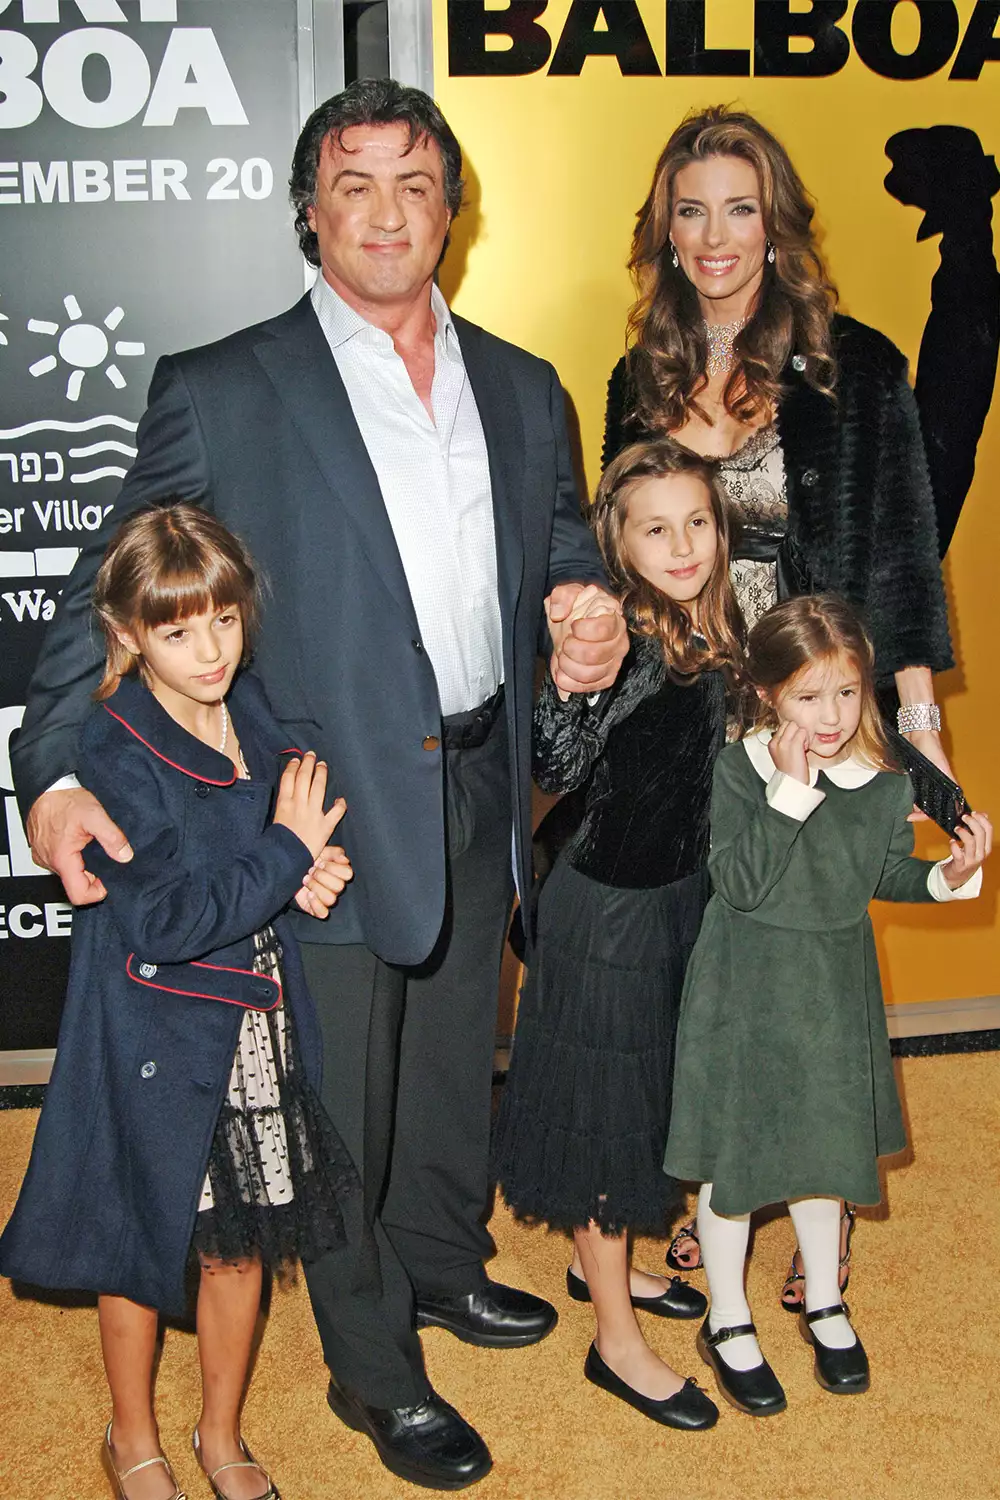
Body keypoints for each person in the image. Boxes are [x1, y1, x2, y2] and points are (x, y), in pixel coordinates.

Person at [13, 80, 627, 1491]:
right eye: (354, 183)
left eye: (416, 183)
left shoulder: (527, 385)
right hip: (319, 807)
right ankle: (374, 1368)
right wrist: (46, 771)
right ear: (310, 209)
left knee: (452, 1052)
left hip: (488, 772)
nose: (387, 212)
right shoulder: (223, 388)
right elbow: (102, 592)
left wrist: (585, 603)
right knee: (340, 1092)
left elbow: (557, 553)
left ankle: (435, 1260)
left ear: (451, 210)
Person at [603, 106, 955, 1306]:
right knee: (703, 974)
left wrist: (918, 739)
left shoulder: (855, 366)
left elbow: (903, 555)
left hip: (809, 714)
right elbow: (618, 560)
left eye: (739, 208)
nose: (715, 236)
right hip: (684, 719)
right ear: (664, 230)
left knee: (802, 982)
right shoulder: (636, 375)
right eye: (690, 209)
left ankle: (817, 1215)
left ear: (777, 224)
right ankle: (719, 1192)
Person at [0, 505, 360, 1500]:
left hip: (255, 1018)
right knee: (144, 1239)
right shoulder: (114, 749)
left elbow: (290, 816)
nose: (209, 650)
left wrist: (313, 866)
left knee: (239, 1241)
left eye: (224, 621)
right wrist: (286, 856)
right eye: (176, 630)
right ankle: (132, 1438)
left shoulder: (257, 711)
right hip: (155, 1028)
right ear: (126, 635)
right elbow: (161, 921)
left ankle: (221, 1433)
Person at [664, 594, 990, 1415]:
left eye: (847, 692)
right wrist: (790, 791)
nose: (833, 715)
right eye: (810, 696)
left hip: (833, 991)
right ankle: (727, 1315)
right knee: (734, 1154)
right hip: (744, 988)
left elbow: (881, 876)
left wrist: (946, 879)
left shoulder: (880, 783)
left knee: (824, 1142)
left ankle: (825, 1300)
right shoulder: (740, 770)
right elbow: (737, 883)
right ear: (770, 693)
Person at [493, 440, 747, 1432]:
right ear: (616, 542)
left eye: (696, 522)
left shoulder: (703, 620)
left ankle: (598, 1264)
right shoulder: (624, 630)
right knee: (607, 1116)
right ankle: (613, 1341)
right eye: (654, 528)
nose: (681, 544)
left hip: (673, 895)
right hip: (603, 911)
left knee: (642, 1100)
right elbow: (554, 752)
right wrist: (575, 669)